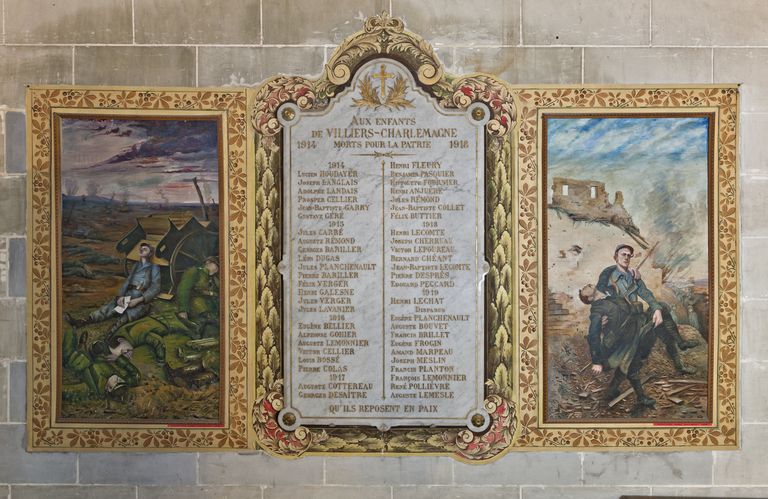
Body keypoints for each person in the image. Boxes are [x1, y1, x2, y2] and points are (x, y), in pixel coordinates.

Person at [596, 244, 697, 374]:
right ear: (616, 256)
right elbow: (599, 295)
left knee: (662, 310)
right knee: (663, 328)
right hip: (621, 325)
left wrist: (656, 309)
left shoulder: (633, 277)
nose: (626, 257)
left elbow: (646, 294)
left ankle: (680, 357)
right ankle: (680, 354)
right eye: (623, 254)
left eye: (629, 255)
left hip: (638, 319)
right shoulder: (608, 274)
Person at [580, 284, 657, 407]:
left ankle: (611, 391)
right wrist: (596, 361)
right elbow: (593, 335)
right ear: (589, 299)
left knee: (628, 365)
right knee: (632, 366)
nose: (585, 286)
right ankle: (641, 398)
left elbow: (615, 292)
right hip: (622, 342)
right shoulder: (597, 310)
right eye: (583, 291)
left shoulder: (607, 295)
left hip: (633, 332)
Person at [65, 242, 161, 338]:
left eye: (145, 249)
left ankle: (109, 336)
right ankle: (82, 322)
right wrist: (120, 296)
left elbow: (155, 287)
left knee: (127, 316)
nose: (141, 250)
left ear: (150, 253)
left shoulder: (153, 267)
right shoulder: (136, 265)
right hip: (128, 294)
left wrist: (139, 300)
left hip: (140, 298)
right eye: (141, 248)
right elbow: (127, 282)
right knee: (108, 308)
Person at [176, 256, 220, 338]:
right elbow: (183, 290)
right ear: (208, 262)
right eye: (216, 265)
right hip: (196, 307)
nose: (217, 269)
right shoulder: (194, 272)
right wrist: (182, 310)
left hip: (209, 310)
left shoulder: (213, 278)